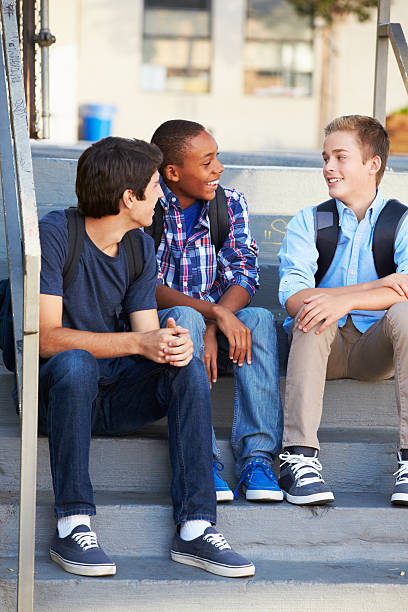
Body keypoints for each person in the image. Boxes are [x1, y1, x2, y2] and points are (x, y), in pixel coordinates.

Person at [38, 136, 254, 578]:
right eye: (155, 186)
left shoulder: (138, 246)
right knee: (75, 363)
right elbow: (45, 338)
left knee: (182, 368)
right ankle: (73, 523)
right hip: (61, 397)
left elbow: (145, 334)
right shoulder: (57, 234)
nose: (161, 195)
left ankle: (196, 527)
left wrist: (171, 343)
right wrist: (139, 345)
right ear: (128, 197)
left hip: (114, 394)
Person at [278, 114, 408, 506]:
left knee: (405, 313)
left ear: (373, 164)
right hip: (322, 348)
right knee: (314, 313)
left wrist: (345, 298)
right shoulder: (309, 221)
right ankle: (298, 457)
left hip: (376, 349)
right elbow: (293, 294)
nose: (328, 168)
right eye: (325, 158)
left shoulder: (400, 220)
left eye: (340, 157)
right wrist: (366, 290)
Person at [150, 120, 283, 503]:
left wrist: (214, 321)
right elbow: (145, 286)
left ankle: (257, 458)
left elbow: (246, 269)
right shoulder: (149, 205)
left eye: (218, 158)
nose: (218, 169)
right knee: (187, 318)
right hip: (167, 331)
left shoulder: (229, 203)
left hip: (217, 328)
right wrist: (210, 316)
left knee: (257, 319)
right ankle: (201, 456)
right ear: (172, 173)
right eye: (207, 162)